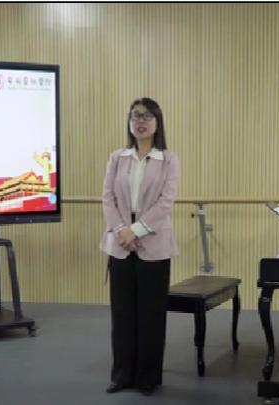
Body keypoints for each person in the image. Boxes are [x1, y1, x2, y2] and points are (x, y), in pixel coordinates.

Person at [100, 97, 180, 396]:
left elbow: (165, 202)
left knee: (151, 314)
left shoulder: (168, 159)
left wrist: (135, 230)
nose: (140, 121)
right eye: (135, 116)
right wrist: (122, 231)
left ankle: (148, 377)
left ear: (157, 122)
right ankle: (122, 375)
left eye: (147, 116)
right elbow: (108, 198)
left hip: (153, 241)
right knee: (122, 314)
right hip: (120, 242)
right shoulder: (117, 157)